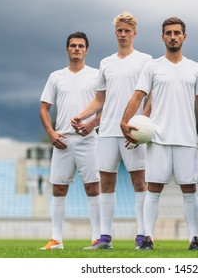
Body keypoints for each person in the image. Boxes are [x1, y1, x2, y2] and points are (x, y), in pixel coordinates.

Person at [120, 17, 198, 251]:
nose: (173, 36)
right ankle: (147, 238)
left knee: (189, 190)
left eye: (177, 33)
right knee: (153, 188)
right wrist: (124, 121)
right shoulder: (152, 66)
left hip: (187, 139)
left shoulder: (195, 68)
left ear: (184, 37)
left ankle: (194, 239)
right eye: (168, 33)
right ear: (163, 37)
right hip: (157, 139)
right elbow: (138, 95)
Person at [71, 12, 151, 250]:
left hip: (133, 131)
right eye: (119, 30)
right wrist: (81, 115)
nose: (123, 34)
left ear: (135, 33)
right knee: (106, 182)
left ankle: (142, 236)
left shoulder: (146, 60)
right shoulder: (106, 63)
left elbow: (151, 97)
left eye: (127, 30)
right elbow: (99, 100)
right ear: (115, 33)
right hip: (106, 131)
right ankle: (104, 238)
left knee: (139, 182)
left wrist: (142, 125)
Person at [39, 32, 101, 250]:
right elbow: (44, 108)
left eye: (81, 46)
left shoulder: (96, 75)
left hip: (88, 140)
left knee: (93, 188)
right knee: (58, 189)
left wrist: (92, 124)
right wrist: (51, 132)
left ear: (87, 50)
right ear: (67, 49)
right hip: (62, 140)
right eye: (73, 45)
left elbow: (107, 106)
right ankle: (56, 239)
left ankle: (97, 238)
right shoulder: (56, 76)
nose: (77, 49)